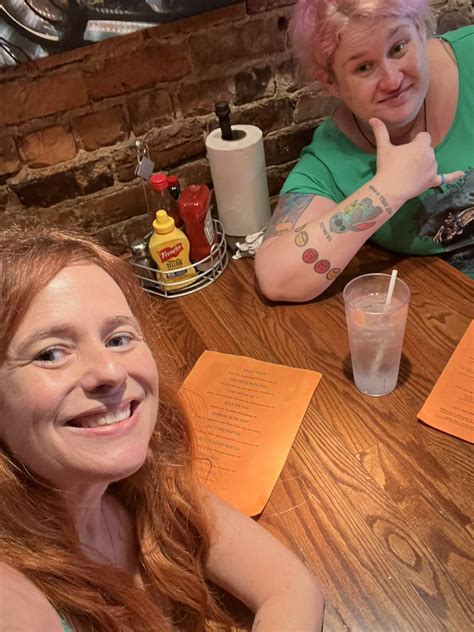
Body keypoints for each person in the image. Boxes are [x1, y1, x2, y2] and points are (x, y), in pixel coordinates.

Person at [0, 226, 324, 632]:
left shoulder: (140, 480)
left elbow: (290, 587)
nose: (110, 371)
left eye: (118, 339)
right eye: (50, 353)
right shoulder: (15, 599)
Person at [255, 0, 473, 302]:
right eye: (363, 67)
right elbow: (276, 278)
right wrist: (387, 190)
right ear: (330, 81)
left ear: (420, 30)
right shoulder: (333, 158)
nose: (392, 80)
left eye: (398, 48)